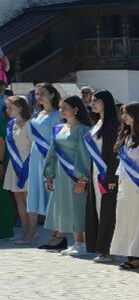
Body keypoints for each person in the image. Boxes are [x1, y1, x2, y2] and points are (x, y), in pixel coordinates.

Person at [110, 103, 139, 271]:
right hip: (125, 182)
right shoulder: (126, 134)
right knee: (126, 219)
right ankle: (132, 252)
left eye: (127, 114)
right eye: (123, 114)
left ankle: (137, 255)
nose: (124, 117)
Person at [44, 94, 92, 256]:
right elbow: (52, 152)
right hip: (60, 174)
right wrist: (48, 174)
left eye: (65, 107)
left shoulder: (84, 130)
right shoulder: (59, 128)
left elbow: (84, 154)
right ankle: (75, 240)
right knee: (65, 206)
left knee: (77, 206)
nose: (61, 110)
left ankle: (82, 242)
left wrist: (82, 178)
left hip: (75, 175)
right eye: (60, 108)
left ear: (76, 109)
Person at [83, 90, 120, 262]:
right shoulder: (97, 123)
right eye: (91, 101)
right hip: (95, 172)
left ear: (106, 102)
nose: (92, 103)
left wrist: (111, 176)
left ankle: (108, 249)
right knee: (96, 209)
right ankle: (99, 246)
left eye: (96, 100)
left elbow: (115, 154)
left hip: (107, 173)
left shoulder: (114, 125)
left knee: (108, 211)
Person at [30, 83, 62, 246]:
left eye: (42, 93)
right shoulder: (37, 114)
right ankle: (52, 234)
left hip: (49, 157)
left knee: (53, 195)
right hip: (35, 157)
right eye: (36, 94)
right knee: (42, 194)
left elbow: (57, 140)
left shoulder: (58, 115)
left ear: (52, 95)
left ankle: (59, 235)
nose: (39, 96)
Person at [4, 95, 36, 243]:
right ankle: (24, 232)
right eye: (7, 107)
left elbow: (35, 146)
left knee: (29, 199)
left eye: (11, 107)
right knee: (19, 198)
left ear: (21, 107)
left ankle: (31, 233)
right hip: (14, 164)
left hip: (28, 164)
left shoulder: (31, 124)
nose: (8, 110)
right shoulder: (10, 124)